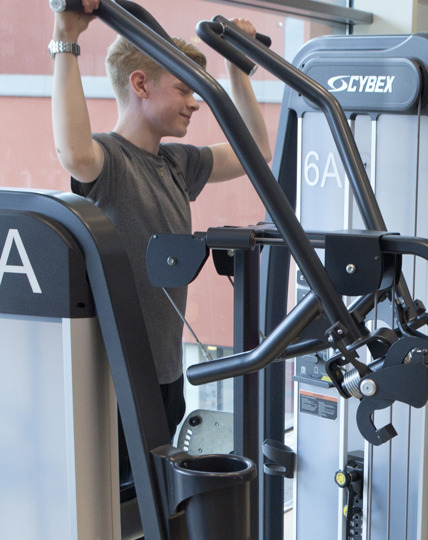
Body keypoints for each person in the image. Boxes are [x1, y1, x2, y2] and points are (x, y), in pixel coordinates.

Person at [51, 0, 271, 488]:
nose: (194, 102)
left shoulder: (176, 164)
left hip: (167, 374)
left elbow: (255, 152)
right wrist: (65, 41)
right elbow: (73, 151)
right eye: (183, 89)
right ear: (140, 84)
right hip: (115, 381)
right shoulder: (109, 162)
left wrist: (237, 72)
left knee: (152, 506)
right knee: (114, 506)